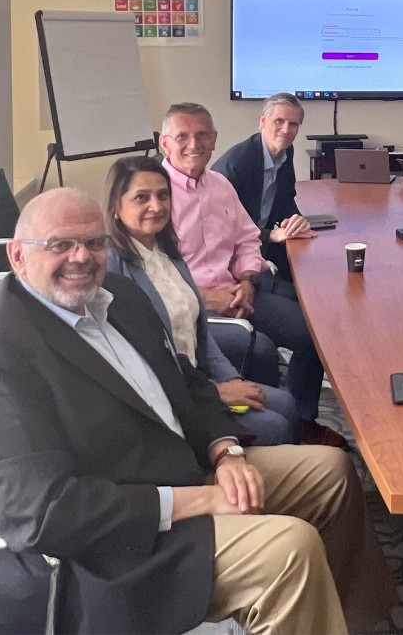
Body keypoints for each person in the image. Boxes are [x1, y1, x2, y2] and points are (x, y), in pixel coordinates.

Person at [0, 188, 393, 635]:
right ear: (17, 256)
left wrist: (225, 451)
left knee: (330, 470)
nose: (81, 257)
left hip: (171, 469)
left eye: (94, 243)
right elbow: (41, 514)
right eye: (60, 245)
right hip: (97, 551)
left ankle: (347, 621)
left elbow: (186, 380)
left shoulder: (116, 295)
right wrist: (204, 500)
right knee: (289, 551)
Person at [160, 102, 344, 448]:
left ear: (214, 139)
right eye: (182, 136)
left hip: (238, 289)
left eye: (202, 135)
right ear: (164, 143)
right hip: (194, 303)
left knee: (312, 333)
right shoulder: (156, 197)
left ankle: (302, 421)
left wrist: (247, 280)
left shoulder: (218, 185)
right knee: (262, 349)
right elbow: (151, 273)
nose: (193, 144)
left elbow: (247, 238)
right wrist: (203, 296)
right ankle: (258, 429)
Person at [105, 155, 300, 446]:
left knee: (286, 404)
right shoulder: (112, 268)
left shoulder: (168, 251)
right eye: (141, 198)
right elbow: (135, 362)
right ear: (117, 207)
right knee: (273, 425)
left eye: (163, 196)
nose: (156, 207)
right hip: (169, 392)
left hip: (199, 375)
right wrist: (214, 393)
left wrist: (231, 379)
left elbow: (201, 336)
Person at [212, 92, 309, 281]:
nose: (285, 130)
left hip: (262, 244)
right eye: (278, 121)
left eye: (293, 124)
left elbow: (285, 198)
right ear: (263, 122)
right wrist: (270, 235)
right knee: (296, 292)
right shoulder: (238, 163)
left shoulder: (286, 150)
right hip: (233, 255)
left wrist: (295, 221)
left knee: (312, 274)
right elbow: (221, 227)